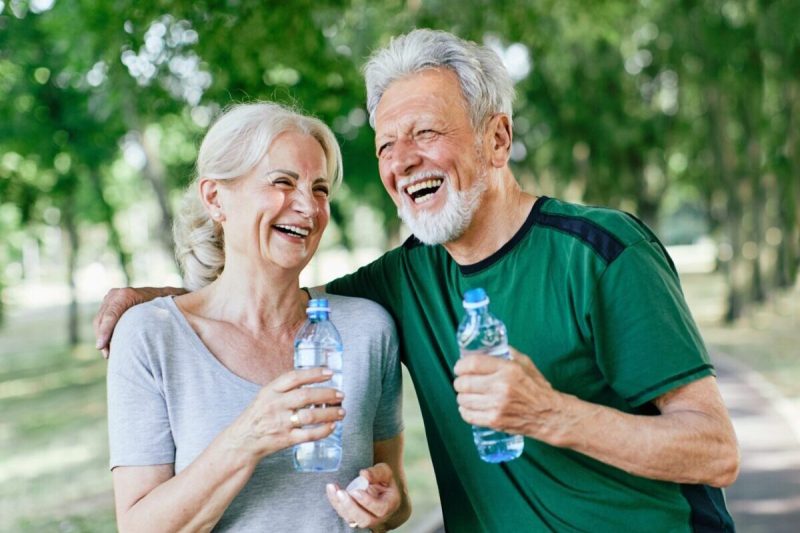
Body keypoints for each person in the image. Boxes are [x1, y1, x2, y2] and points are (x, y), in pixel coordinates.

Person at [96, 30, 739, 531]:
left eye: (425, 133)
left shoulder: (601, 252)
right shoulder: (403, 280)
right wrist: (154, 302)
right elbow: (270, 296)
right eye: (384, 145)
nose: (403, 161)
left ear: (497, 137)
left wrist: (551, 414)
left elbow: (714, 450)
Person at [105, 102, 410, 532]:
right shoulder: (149, 338)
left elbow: (396, 497)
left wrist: (386, 504)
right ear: (215, 198)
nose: (308, 206)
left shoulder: (368, 330)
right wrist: (246, 439)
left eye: (320, 189)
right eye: (283, 182)